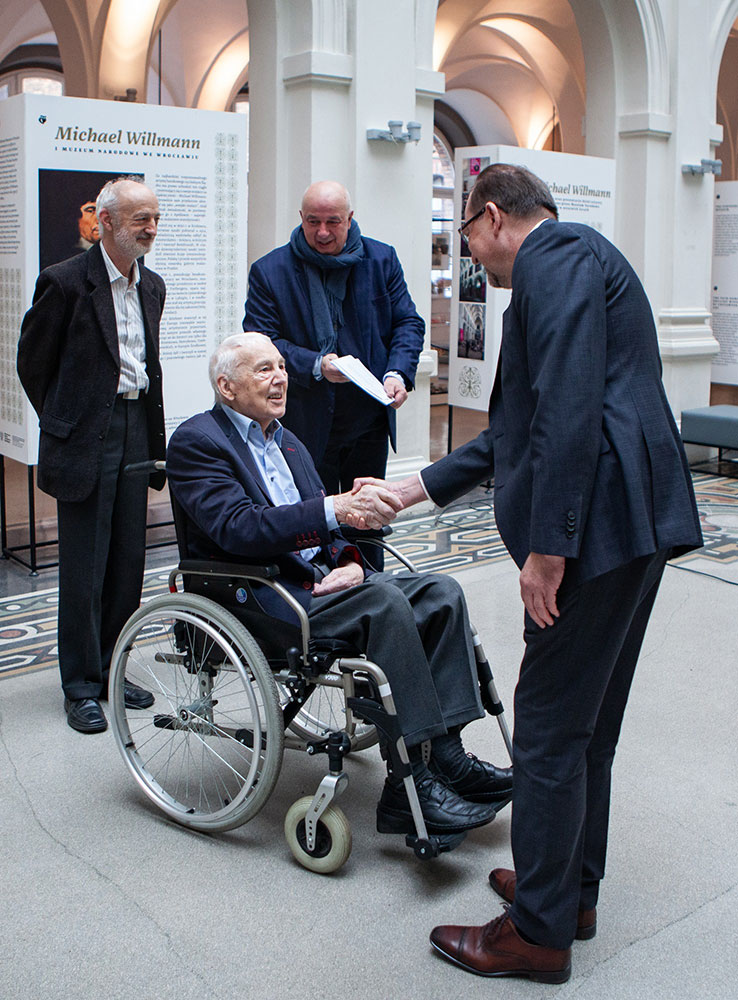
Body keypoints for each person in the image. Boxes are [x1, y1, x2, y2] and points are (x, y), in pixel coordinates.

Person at [355, 164, 704, 983]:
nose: (472, 255)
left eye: (467, 238)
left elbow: (572, 406)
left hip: (595, 530)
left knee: (547, 726)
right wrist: (410, 488)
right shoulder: (571, 264)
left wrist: (551, 548)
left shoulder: (557, 255)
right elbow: (520, 430)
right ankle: (567, 888)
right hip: (631, 520)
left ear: (490, 218)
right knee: (587, 723)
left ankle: (538, 932)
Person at [165, 332, 513, 839]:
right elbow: (239, 528)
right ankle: (408, 785)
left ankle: (447, 754)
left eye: (282, 366)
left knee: (441, 592)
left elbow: (327, 528)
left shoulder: (286, 439)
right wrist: (335, 511)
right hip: (258, 597)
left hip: (319, 584)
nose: (281, 377)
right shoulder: (198, 442)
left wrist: (350, 560)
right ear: (226, 386)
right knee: (386, 600)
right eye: (264, 369)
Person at [17, 176, 166, 735]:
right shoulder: (64, 283)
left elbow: (145, 365)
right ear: (104, 223)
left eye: (155, 218)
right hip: (87, 435)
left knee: (128, 560)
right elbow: (33, 363)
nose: (151, 229)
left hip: (135, 426)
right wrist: (65, 422)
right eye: (139, 220)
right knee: (84, 565)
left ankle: (111, 668)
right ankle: (79, 684)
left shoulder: (152, 287)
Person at [242, 181, 425, 534]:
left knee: (368, 522)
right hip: (304, 424)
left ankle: (374, 588)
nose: (322, 232)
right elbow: (262, 342)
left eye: (333, 222)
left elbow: (407, 322)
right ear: (300, 218)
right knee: (314, 525)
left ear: (350, 219)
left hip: (368, 421)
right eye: (312, 222)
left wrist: (398, 373)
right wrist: (316, 364)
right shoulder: (271, 270)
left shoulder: (381, 260)